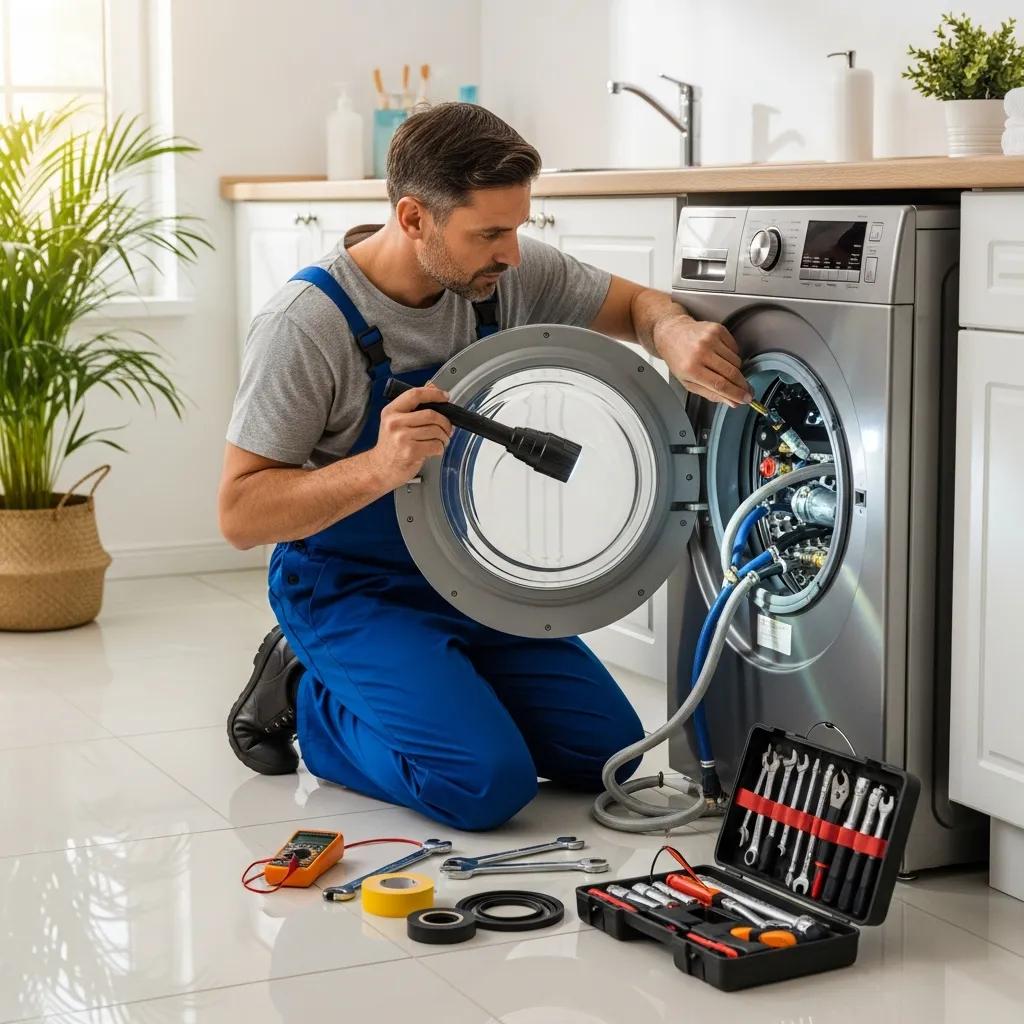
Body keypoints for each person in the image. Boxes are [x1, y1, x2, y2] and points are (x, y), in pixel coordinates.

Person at [219, 102, 751, 831]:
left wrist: (676, 332)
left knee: (612, 760)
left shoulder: (499, 278)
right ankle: (311, 697)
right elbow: (240, 514)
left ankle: (437, 689)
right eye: (491, 233)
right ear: (413, 218)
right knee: (481, 784)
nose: (513, 253)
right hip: (351, 588)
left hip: (472, 581)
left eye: (519, 228)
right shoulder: (306, 326)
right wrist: (378, 466)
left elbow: (636, 306)